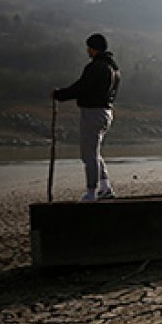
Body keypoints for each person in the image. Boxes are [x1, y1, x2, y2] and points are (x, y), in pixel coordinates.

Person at [52, 33, 121, 201]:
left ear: (94, 48)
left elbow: (81, 87)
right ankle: (105, 187)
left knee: (88, 155)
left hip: (93, 112)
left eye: (89, 47)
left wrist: (59, 95)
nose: (87, 51)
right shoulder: (114, 68)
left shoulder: (95, 67)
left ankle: (92, 192)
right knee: (94, 152)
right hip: (106, 112)